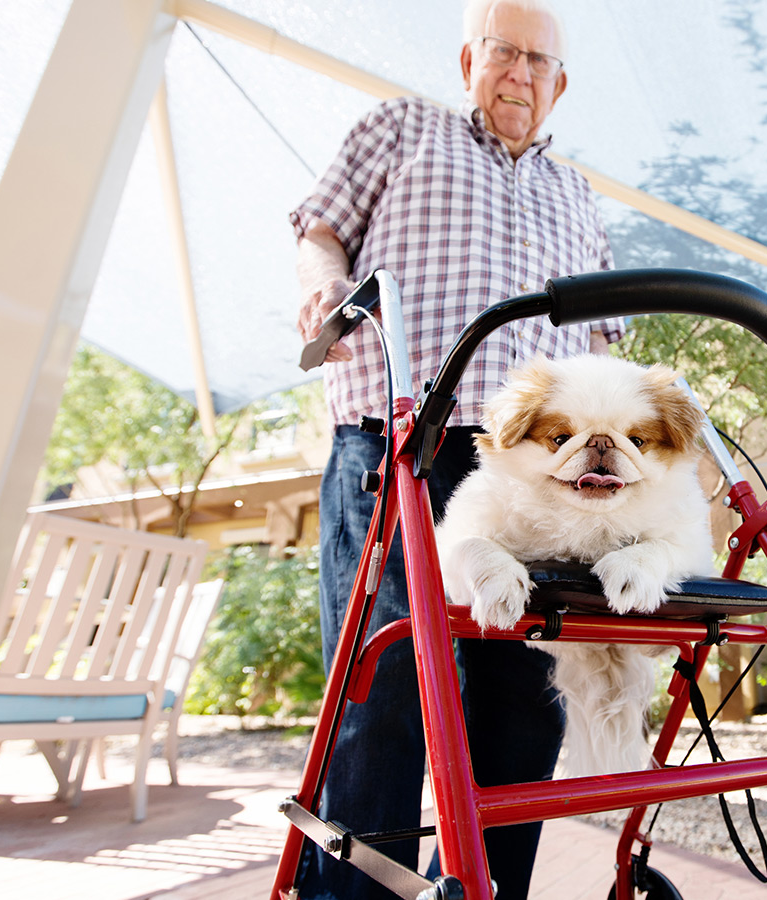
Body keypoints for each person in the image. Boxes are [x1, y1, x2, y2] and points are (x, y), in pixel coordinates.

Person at [289, 2, 621, 898]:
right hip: (400, 442)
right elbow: (320, 227)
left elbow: (600, 344)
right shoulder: (402, 126)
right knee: (386, 676)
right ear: (470, 58)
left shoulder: (578, 193)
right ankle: (356, 895)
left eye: (537, 60)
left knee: (525, 690)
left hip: (530, 478)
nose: (519, 72)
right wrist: (326, 286)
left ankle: (482, 892)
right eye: (502, 52)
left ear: (561, 82)